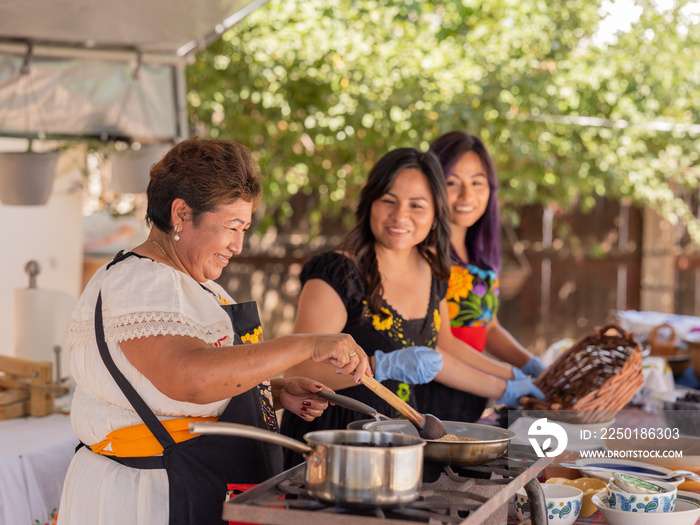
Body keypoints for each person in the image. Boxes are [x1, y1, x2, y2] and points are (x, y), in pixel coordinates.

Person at [56, 138, 371, 525]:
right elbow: (189, 378)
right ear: (182, 214)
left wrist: (270, 391)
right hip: (151, 495)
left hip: (195, 482)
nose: (239, 245)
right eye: (233, 227)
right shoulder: (139, 281)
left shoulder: (199, 285)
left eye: (245, 228)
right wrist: (304, 345)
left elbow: (174, 395)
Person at [280, 147, 542, 467]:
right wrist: (382, 365)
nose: (400, 217)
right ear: (369, 205)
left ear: (434, 215)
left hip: (401, 443)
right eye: (388, 201)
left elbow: (441, 352)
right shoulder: (337, 274)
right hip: (334, 443)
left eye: (417, 205)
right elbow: (297, 372)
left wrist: (508, 385)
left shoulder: (433, 270)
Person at [415, 130, 547, 422]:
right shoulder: (425, 252)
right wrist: (510, 376)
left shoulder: (480, 255)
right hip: (433, 394)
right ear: (432, 185)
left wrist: (533, 365)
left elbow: (488, 328)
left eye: (478, 183)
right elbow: (443, 342)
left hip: (473, 393)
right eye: (453, 183)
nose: (467, 196)